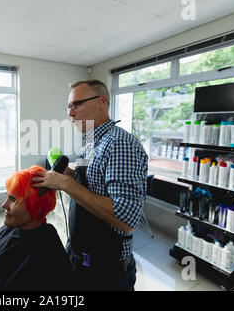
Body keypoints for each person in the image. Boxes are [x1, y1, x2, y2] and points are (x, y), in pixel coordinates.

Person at [32, 79, 148, 291]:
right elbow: (94, 180)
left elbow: (125, 219)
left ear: (101, 102)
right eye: (68, 106)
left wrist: (66, 183)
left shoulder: (120, 144)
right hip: (80, 254)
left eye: (77, 104)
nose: (70, 113)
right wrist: (70, 174)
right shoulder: (91, 142)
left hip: (106, 269)